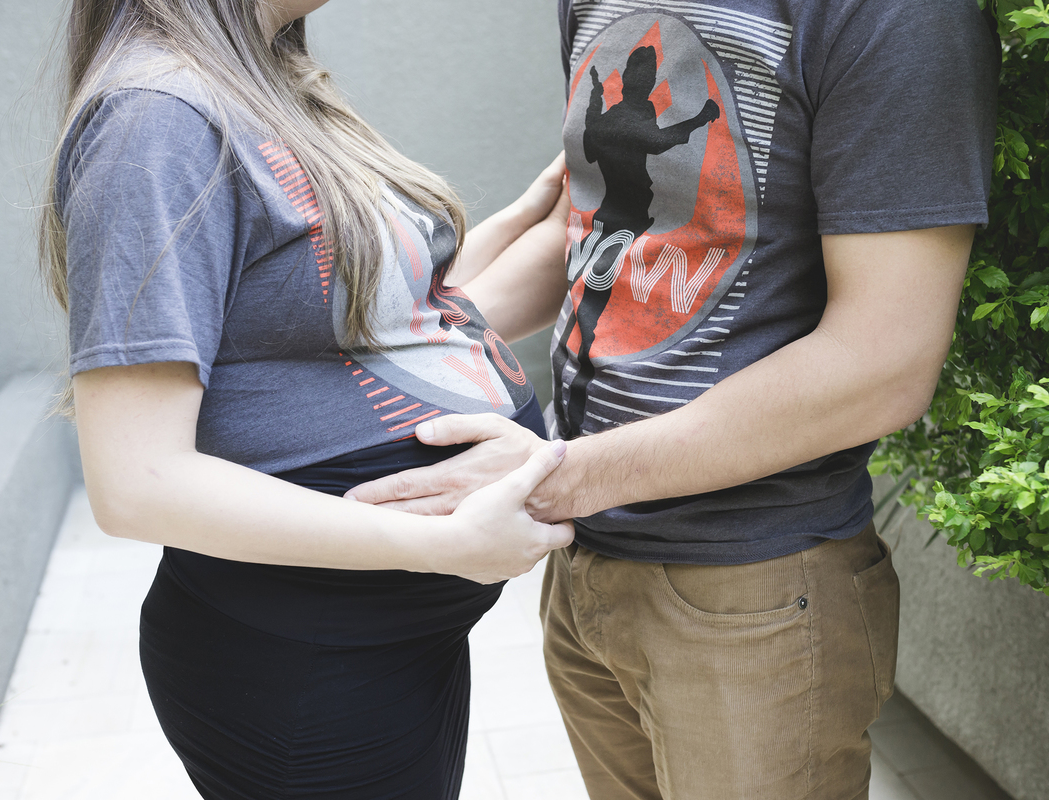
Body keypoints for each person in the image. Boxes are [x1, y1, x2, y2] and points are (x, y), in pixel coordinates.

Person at [345, 0, 1001, 797]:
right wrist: (401, 354)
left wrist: (555, 477)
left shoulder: (895, 16)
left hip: (753, 587)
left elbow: (883, 363)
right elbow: (590, 240)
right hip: (582, 554)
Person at [41, 0, 575, 797]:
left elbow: (385, 324)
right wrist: (439, 546)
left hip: (377, 647)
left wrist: (555, 211)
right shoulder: (155, 118)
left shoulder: (259, 85)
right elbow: (135, 482)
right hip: (303, 672)